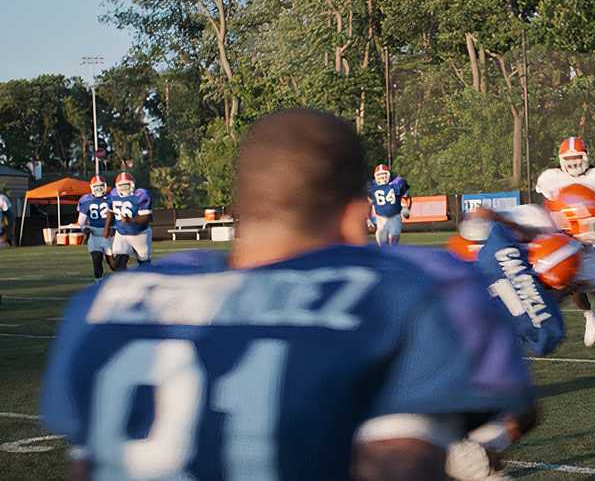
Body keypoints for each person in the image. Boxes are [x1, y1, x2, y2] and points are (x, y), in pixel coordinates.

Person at [40, 108, 534, 481]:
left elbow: (87, 469)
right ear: (353, 216)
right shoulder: (412, 291)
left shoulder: (103, 303)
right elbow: (401, 464)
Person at [442, 205, 581, 480]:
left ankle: (475, 453)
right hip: (468, 368)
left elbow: (491, 222)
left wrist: (525, 230)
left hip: (443, 337)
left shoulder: (501, 249)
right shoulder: (549, 324)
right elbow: (542, 340)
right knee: (521, 411)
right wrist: (555, 295)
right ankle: (467, 457)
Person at [535, 137, 595, 353]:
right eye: (569, 158)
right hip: (569, 240)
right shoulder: (552, 178)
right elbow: (548, 207)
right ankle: (589, 314)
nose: (573, 161)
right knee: (572, 286)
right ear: (561, 160)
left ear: (585, 157)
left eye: (577, 156)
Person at [103, 172, 153, 270]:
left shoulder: (141, 194)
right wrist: (107, 228)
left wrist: (130, 220)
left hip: (140, 234)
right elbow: (110, 212)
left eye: (126, 185)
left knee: (144, 264)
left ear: (132, 184)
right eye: (121, 186)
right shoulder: (113, 194)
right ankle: (126, 278)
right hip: (121, 234)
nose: (124, 188)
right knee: (117, 265)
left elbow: (146, 218)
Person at [77, 176, 113, 281]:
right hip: (94, 235)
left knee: (113, 264)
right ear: (92, 187)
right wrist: (84, 229)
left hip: (109, 235)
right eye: (96, 186)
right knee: (96, 260)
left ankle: (122, 280)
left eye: (101, 186)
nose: (99, 189)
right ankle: (98, 283)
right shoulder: (86, 200)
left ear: (105, 186)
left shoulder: (112, 198)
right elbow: (81, 221)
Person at [367, 164, 411, 246]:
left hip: (395, 216)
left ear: (389, 174)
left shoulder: (397, 183)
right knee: (382, 242)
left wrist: (406, 207)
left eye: (384, 174)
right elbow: (368, 204)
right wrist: (368, 219)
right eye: (379, 175)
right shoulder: (372, 187)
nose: (382, 177)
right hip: (381, 218)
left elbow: (406, 196)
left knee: (393, 239)